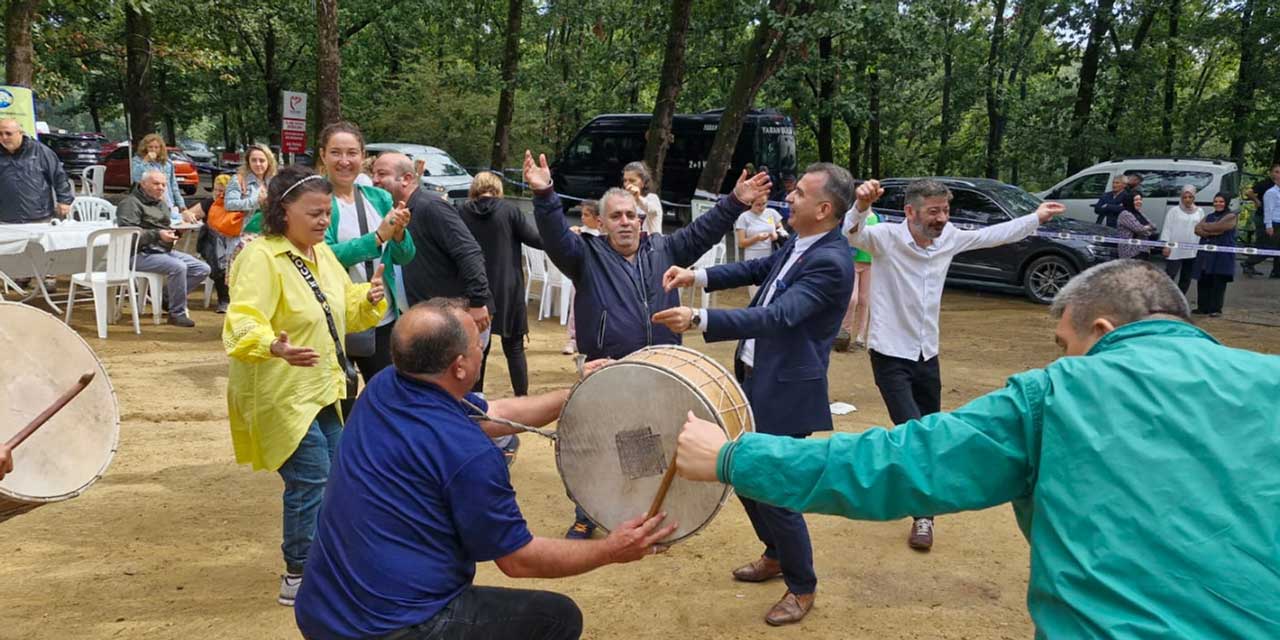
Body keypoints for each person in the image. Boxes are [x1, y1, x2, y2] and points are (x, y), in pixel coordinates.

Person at [673, 259, 1280, 638]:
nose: (1063, 358)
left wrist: (733, 457)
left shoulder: (1056, 395)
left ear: (1103, 331)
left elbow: (898, 464)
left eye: (1065, 342)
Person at [293, 299, 676, 640]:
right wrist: (611, 549)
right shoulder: (470, 456)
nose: (482, 349)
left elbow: (493, 414)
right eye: (478, 345)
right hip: (396, 625)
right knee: (557, 619)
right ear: (460, 367)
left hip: (323, 608)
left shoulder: (386, 387)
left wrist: (578, 391)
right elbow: (518, 560)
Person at [523, 149, 770, 539]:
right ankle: (588, 509)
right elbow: (554, 236)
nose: (626, 223)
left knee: (654, 436)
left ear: (642, 219)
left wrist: (736, 200)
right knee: (598, 441)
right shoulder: (584, 255)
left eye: (632, 216)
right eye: (616, 217)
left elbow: (705, 230)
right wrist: (544, 195)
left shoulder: (665, 249)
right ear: (601, 223)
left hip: (662, 368)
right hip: (608, 369)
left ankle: (645, 505)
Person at [652, 163, 857, 627]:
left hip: (784, 392)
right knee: (744, 477)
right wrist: (696, 278)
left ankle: (802, 586)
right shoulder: (802, 244)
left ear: (824, 209)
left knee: (775, 489)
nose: (791, 198)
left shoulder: (831, 261)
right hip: (754, 378)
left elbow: (779, 316)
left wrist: (701, 320)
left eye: (801, 193)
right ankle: (774, 554)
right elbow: (758, 267)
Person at [844, 179, 1065, 551]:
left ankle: (921, 506)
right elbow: (851, 234)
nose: (941, 219)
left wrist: (1036, 217)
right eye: (933, 211)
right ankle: (923, 515)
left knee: (928, 431)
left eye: (944, 211)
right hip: (890, 354)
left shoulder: (950, 238)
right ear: (911, 212)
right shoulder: (883, 237)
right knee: (915, 434)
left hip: (928, 354)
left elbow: (994, 235)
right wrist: (861, 205)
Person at [223, 165, 389, 607]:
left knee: (335, 476)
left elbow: (342, 311)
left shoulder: (323, 255)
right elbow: (240, 322)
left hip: (321, 387)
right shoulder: (260, 257)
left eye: (327, 214)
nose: (323, 222)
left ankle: (328, 563)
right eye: (314, 213)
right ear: (283, 211)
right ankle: (298, 573)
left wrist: (367, 298)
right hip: (279, 391)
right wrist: (272, 346)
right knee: (311, 477)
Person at [316, 123, 415, 384]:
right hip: (336, 318)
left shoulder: (379, 198)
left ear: (363, 157)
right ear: (323, 155)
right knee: (341, 404)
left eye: (352, 153)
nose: (345, 161)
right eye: (336, 153)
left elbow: (405, 256)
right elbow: (323, 256)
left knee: (387, 397)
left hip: (383, 316)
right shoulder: (315, 200)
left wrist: (399, 234)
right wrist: (377, 237)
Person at [370, 152, 491, 337]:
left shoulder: (431, 206)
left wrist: (478, 301)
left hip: (456, 319)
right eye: (373, 174)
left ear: (407, 178)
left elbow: (468, 251)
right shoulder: (393, 212)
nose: (374, 180)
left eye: (381, 174)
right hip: (425, 320)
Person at [458, 171, 543, 397]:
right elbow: (536, 239)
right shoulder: (509, 211)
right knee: (514, 347)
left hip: (474, 290)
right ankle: (522, 398)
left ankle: (475, 400)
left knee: (477, 348)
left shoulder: (461, 211)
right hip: (507, 287)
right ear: (498, 189)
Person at [116, 169, 211, 328]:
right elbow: (128, 234)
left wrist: (177, 233)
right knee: (178, 267)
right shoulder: (130, 204)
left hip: (162, 251)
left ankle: (167, 297)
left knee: (202, 268)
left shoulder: (161, 203)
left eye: (163, 185)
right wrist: (158, 235)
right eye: (156, 184)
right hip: (136, 254)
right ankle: (176, 313)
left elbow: (164, 229)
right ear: (143, 184)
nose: (161, 188)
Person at [0, 117, 73, 223]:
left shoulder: (41, 152)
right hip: (5, 219)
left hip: (39, 217)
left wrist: (64, 201)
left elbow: (59, 176)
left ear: (20, 133)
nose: (4, 137)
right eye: (0, 134)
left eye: (8, 133)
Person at [184, 174, 233, 312]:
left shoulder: (237, 206)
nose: (219, 194)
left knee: (225, 253)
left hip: (230, 244)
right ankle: (224, 299)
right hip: (209, 244)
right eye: (216, 190)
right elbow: (188, 215)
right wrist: (188, 215)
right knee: (218, 251)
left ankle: (230, 298)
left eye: (223, 191)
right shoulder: (209, 203)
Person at [835, 209, 878, 352]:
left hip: (870, 262)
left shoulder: (878, 218)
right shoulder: (851, 215)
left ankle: (860, 337)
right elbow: (847, 234)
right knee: (851, 299)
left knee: (864, 300)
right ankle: (844, 333)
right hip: (852, 261)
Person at [562, 201, 602, 355]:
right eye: (582, 214)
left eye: (586, 215)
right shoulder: (579, 232)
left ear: (598, 218)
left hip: (598, 279)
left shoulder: (605, 235)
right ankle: (573, 339)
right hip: (580, 277)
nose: (583, 218)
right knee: (575, 308)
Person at [1192, 193, 1238, 317]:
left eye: (1221, 201)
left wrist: (1205, 228)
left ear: (1226, 202)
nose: (1218, 204)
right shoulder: (1209, 216)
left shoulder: (1231, 216)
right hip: (1206, 254)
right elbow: (1197, 229)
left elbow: (1221, 227)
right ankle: (1203, 307)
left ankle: (1216, 309)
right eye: (1216, 201)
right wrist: (1211, 231)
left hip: (1222, 255)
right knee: (1204, 280)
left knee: (1218, 281)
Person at [733, 194, 788, 297]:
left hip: (770, 254)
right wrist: (756, 238)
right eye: (758, 205)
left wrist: (776, 235)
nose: (762, 207)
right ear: (751, 203)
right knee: (755, 290)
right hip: (752, 255)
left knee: (768, 289)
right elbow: (741, 243)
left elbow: (781, 229)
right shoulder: (744, 217)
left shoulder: (771, 213)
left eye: (764, 204)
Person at [1160, 185, 1205, 294]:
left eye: (1190, 197)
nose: (1187, 199)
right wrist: (1166, 245)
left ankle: (1180, 299)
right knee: (1170, 275)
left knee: (1186, 277)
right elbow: (1167, 228)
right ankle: (1165, 299)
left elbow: (1202, 229)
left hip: (1191, 250)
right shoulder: (1174, 211)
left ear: (1194, 198)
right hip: (1174, 249)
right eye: (1185, 197)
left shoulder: (1200, 211)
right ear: (1181, 198)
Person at [131, 133, 186, 213]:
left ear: (161, 148)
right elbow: (136, 178)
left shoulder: (167, 163)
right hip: (148, 202)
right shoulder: (137, 161)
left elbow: (174, 186)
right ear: (145, 148)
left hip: (168, 201)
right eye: (150, 147)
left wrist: (181, 205)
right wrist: (145, 161)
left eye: (156, 147)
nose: (153, 150)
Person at [1242, 163, 1280, 278]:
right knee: (1267, 245)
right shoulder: (1265, 185)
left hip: (1275, 220)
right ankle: (1249, 262)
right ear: (1271, 173)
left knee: (1276, 246)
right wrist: (1256, 201)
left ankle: (1276, 271)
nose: (1278, 174)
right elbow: (1248, 192)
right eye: (1276, 172)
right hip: (1265, 219)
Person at [623, 161, 664, 236]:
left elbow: (651, 209)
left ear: (643, 183)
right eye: (625, 180)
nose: (627, 184)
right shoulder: (624, 201)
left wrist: (638, 198)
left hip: (652, 245)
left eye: (632, 180)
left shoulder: (652, 198)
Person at [1117, 194, 1156, 260]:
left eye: (1140, 199)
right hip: (1130, 252)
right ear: (1130, 201)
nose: (1139, 202)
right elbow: (1139, 229)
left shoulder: (1139, 213)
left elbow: (1154, 226)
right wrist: (1146, 228)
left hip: (1143, 250)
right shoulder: (1125, 214)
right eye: (1136, 200)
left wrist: (1145, 228)